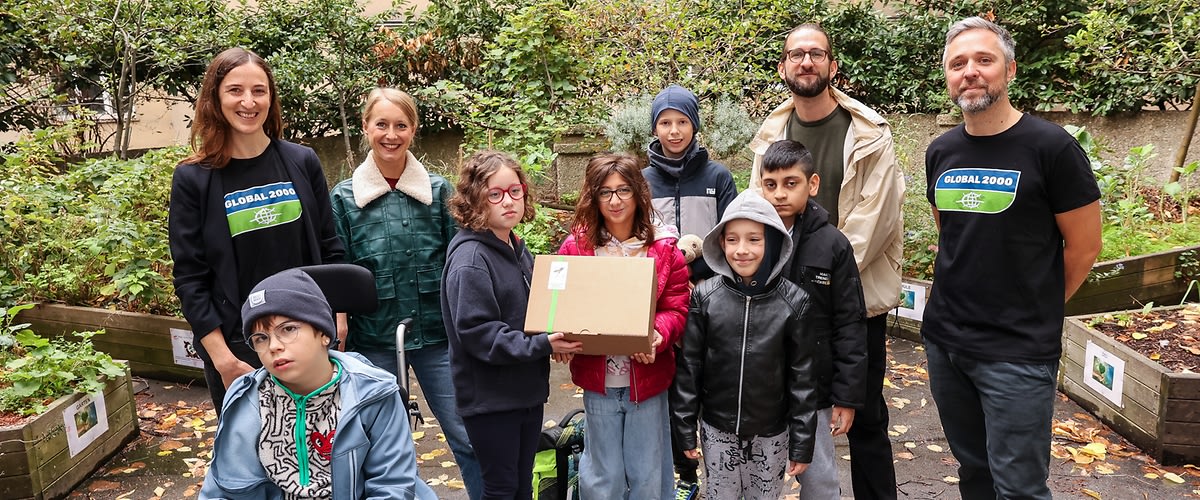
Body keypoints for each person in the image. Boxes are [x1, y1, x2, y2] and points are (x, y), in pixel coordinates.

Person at [923, 17, 1102, 499]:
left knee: (1019, 487)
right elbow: (952, 234)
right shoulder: (941, 151)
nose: (970, 71)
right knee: (973, 472)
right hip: (946, 343)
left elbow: (1085, 247)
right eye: (958, 63)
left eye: (984, 60)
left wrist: (1038, 306)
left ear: (1010, 70)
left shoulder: (1052, 148)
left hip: (1016, 352)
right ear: (947, 76)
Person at [748, 23, 904, 499]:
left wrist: (820, 277)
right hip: (783, 298)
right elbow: (758, 212)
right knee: (792, 405)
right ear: (783, 67)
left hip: (854, 299)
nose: (806, 61)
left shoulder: (869, 134)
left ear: (832, 66)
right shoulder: (772, 132)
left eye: (816, 53)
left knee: (865, 416)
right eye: (796, 54)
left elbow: (875, 219)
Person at [169, 47, 344, 413]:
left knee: (323, 442)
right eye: (235, 90)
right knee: (254, 447)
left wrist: (338, 321)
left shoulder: (302, 161)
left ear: (270, 98)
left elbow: (330, 248)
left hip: (308, 336)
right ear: (215, 98)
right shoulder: (193, 178)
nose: (248, 102)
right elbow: (190, 278)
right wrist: (223, 361)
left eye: (259, 91)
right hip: (240, 348)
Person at [329, 88, 483, 499]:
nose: (391, 134)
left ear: (413, 129)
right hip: (373, 338)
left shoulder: (439, 191)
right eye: (381, 124)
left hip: (437, 336)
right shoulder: (344, 198)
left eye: (401, 125)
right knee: (380, 445)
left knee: (467, 434)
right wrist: (340, 323)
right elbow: (339, 266)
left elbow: (461, 260)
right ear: (366, 128)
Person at [200, 268, 436, 499]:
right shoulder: (245, 400)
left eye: (288, 329)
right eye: (261, 338)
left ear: (324, 333)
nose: (274, 346)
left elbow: (392, 486)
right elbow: (222, 487)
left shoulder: (373, 394)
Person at [440, 150, 584, 499]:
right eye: (495, 194)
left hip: (525, 392)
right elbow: (479, 334)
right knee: (502, 489)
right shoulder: (471, 259)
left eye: (514, 191)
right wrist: (542, 344)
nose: (508, 201)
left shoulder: (516, 247)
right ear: (474, 199)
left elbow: (536, 311)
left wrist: (553, 337)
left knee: (521, 485)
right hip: (490, 401)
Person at [556, 153, 690, 499]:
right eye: (605, 192)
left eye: (623, 190)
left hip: (647, 381)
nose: (615, 201)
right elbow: (558, 302)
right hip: (598, 381)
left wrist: (657, 334)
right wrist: (557, 335)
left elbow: (677, 308)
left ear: (638, 193)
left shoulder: (663, 248)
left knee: (648, 473)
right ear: (593, 196)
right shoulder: (577, 248)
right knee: (604, 475)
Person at [670, 190, 819, 500]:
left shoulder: (794, 303)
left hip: (771, 432)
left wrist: (802, 442)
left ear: (773, 241)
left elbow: (802, 378)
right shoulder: (705, 297)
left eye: (754, 239)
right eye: (732, 239)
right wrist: (684, 426)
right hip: (717, 428)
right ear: (721, 243)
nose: (742, 250)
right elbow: (690, 366)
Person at [640, 83, 736, 496]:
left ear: (695, 126)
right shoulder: (642, 181)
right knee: (669, 388)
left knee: (711, 383)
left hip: (711, 296)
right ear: (654, 128)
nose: (674, 131)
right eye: (665, 122)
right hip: (662, 302)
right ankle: (683, 475)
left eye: (682, 121)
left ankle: (722, 472)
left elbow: (733, 237)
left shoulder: (718, 177)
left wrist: (702, 277)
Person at [759, 139, 868, 499]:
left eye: (791, 183)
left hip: (815, 389)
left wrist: (846, 396)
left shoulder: (833, 244)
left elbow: (850, 322)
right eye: (770, 184)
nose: (779, 194)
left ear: (813, 184)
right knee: (760, 477)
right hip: (760, 387)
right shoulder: (750, 240)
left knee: (819, 478)